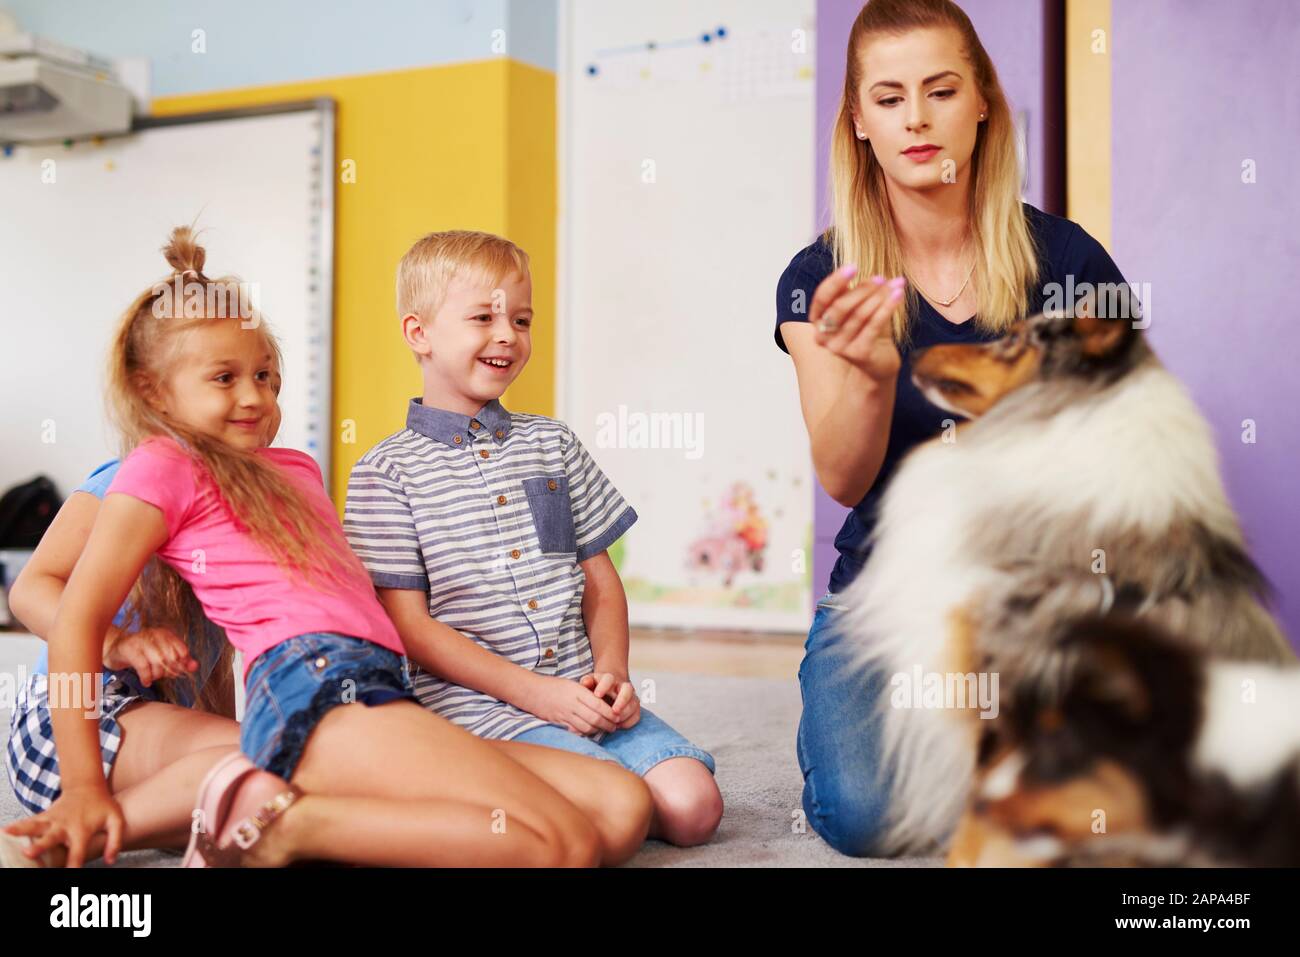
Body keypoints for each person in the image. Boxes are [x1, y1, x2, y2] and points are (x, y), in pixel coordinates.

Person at [4, 227, 652, 868]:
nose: (255, 396)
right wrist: (86, 786)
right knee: (557, 843)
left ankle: (273, 807)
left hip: (377, 684)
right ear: (152, 391)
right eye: (225, 378)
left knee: (618, 805)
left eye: (267, 376)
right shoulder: (158, 465)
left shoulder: (295, 470)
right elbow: (76, 617)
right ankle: (278, 827)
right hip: (315, 680)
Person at [775, 0, 1132, 856]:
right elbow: (843, 480)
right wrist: (873, 377)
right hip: (882, 599)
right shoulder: (817, 278)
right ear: (859, 121)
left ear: (982, 102)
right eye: (890, 98)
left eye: (940, 91)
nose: (918, 119)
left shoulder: (1072, 262)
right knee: (865, 814)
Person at [344, 230, 723, 846]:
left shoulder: (554, 442)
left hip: (583, 692)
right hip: (477, 712)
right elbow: (410, 630)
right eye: (483, 317)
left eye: (520, 319)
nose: (506, 335)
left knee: (694, 808)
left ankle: (547, 795)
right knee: (611, 817)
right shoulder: (385, 473)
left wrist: (614, 673)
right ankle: (471, 793)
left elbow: (599, 578)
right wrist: (537, 698)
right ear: (419, 334)